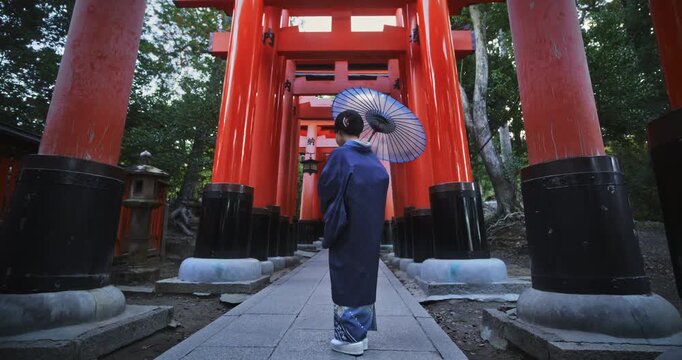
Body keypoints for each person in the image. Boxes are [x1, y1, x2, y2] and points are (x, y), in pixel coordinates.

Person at [318, 109, 389, 356]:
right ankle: (361, 333)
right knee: (364, 275)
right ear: (359, 131)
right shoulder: (373, 159)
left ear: (338, 133)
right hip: (369, 228)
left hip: (347, 227)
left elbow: (326, 188)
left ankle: (349, 338)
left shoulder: (341, 156)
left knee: (346, 274)